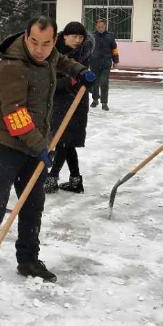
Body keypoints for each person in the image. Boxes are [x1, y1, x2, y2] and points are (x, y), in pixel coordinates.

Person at [0, 16, 92, 283]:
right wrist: (41, 145)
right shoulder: (12, 66)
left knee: (32, 204)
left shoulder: (49, 54)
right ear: (25, 36)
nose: (39, 50)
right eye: (34, 42)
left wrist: (78, 70)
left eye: (46, 43)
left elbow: (59, 60)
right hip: (4, 144)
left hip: (34, 142)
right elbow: (15, 115)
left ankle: (28, 259)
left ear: (54, 40)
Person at [45, 21, 94, 195]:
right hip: (58, 101)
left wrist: (51, 85)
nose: (78, 40)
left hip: (75, 101)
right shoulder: (53, 50)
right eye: (74, 36)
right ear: (65, 36)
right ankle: (75, 180)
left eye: (81, 37)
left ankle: (52, 177)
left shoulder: (82, 55)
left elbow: (73, 80)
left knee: (63, 140)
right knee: (65, 141)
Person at [89, 19, 119, 111]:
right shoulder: (92, 36)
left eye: (102, 27)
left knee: (104, 82)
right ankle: (95, 100)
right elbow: (88, 50)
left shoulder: (110, 36)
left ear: (105, 26)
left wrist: (116, 61)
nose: (100, 29)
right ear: (96, 27)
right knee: (94, 83)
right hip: (94, 63)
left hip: (106, 64)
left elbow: (114, 49)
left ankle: (104, 102)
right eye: (99, 27)